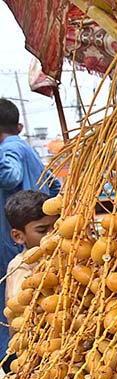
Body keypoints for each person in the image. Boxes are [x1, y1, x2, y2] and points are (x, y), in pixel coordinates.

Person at [0, 99, 60, 360]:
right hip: (34, 235)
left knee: (16, 311)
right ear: (20, 125)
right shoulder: (27, 149)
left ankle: (12, 358)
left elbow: (10, 176)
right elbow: (56, 188)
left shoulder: (10, 147)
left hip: (21, 241)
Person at [4, 191, 56, 314]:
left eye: (56, 226)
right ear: (18, 236)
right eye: (42, 230)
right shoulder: (19, 267)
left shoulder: (61, 257)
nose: (52, 235)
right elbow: (22, 310)